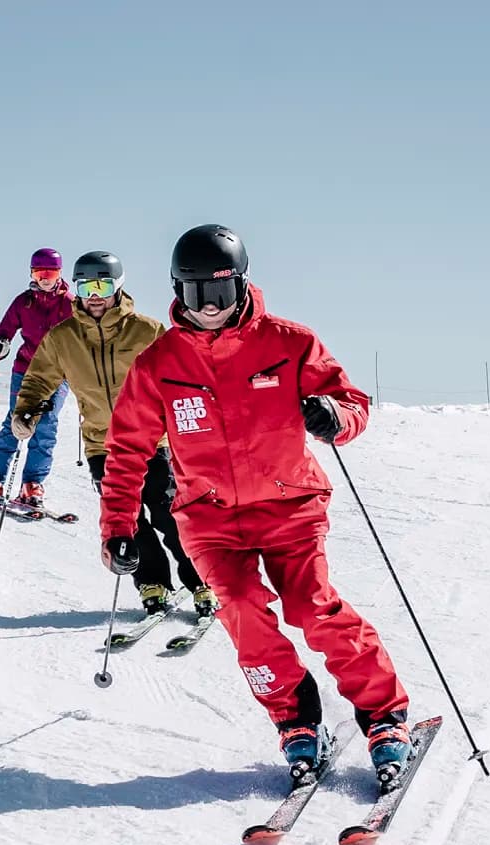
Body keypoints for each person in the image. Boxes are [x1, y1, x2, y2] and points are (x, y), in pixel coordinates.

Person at [95, 224, 416, 792]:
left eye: (220, 292)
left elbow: (351, 402)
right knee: (240, 609)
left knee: (312, 609)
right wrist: (119, 527)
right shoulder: (158, 363)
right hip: (210, 519)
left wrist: (333, 418)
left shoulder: (289, 342)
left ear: (242, 283)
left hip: (291, 506)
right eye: (196, 295)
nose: (210, 307)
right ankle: (294, 719)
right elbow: (126, 450)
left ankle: (383, 717)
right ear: (177, 291)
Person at [8, 250, 213, 618]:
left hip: (154, 441)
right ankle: (152, 581)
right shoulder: (63, 338)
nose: (95, 294)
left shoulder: (147, 331)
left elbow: (182, 375)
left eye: (103, 285)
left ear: (118, 286)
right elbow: (39, 378)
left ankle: (201, 580)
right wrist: (26, 409)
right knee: (128, 519)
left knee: (168, 512)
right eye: (87, 286)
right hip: (103, 445)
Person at [0, 248, 75, 511]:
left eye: (50, 273)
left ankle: (32, 485)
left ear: (59, 274)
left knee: (46, 426)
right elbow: (6, 328)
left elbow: (84, 335)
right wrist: (1, 344)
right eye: (39, 273)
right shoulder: (24, 302)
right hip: (25, 370)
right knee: (16, 423)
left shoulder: (70, 304)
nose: (44, 278)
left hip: (57, 374)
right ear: (32, 274)